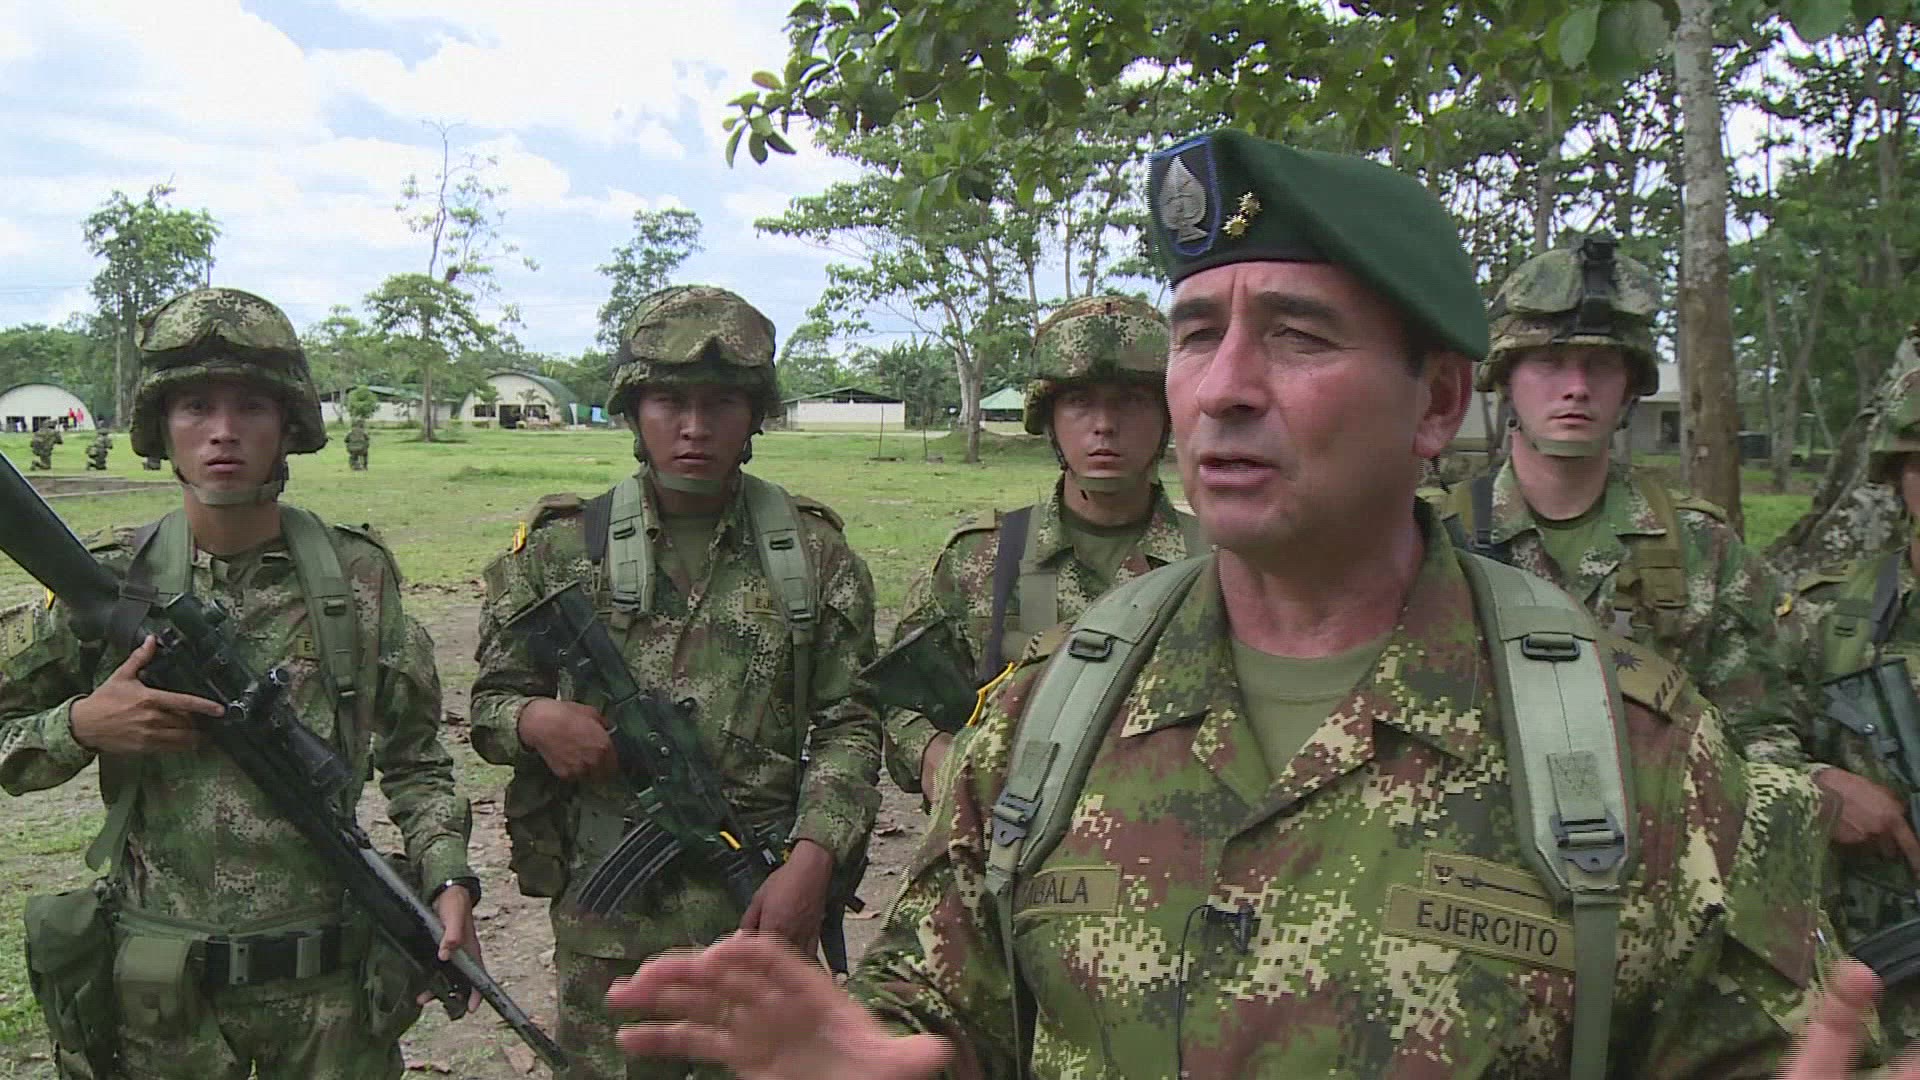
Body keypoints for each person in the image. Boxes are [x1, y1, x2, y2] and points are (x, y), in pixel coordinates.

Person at [604, 130, 1843, 1079]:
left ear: (1434, 402)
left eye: (1298, 337)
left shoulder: (1633, 760)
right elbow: (940, 1016)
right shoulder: (1047, 718)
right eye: (1198, 335)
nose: (1225, 388)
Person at [0, 287, 477, 1079]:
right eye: (196, 406)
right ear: (161, 426)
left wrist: (450, 873)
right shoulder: (107, 583)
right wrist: (80, 725)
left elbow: (417, 760)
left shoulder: (357, 578)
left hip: (331, 1004)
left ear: (288, 424)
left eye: (251, 406)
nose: (223, 430)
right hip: (164, 1008)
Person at [469, 285, 881, 1080]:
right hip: (609, 922)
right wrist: (533, 721)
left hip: (760, 906)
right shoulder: (563, 549)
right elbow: (490, 700)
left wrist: (814, 858)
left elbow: (851, 722)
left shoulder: (815, 555)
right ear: (633, 410)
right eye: (669, 402)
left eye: (720, 403)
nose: (694, 426)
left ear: (754, 414)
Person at [1446, 238, 1917, 871]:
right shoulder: (1435, 537)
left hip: (1660, 861)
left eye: (1602, 366)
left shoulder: (1699, 545)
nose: (1577, 388)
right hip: (1473, 859)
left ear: (1631, 386)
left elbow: (1758, 725)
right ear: (1506, 377)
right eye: (1551, 363)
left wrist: (1808, 783)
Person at [879, 294, 1203, 797]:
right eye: (1079, 402)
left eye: (1132, 401)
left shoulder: (1221, 562)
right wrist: (939, 761)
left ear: (1167, 416)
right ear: (1048, 418)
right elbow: (899, 701)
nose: (1104, 424)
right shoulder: (983, 559)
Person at [1786, 365, 1920, 1038]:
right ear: (1897, 475)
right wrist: (1818, 783)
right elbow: (1742, 736)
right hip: (1872, 978)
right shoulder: (1831, 614)